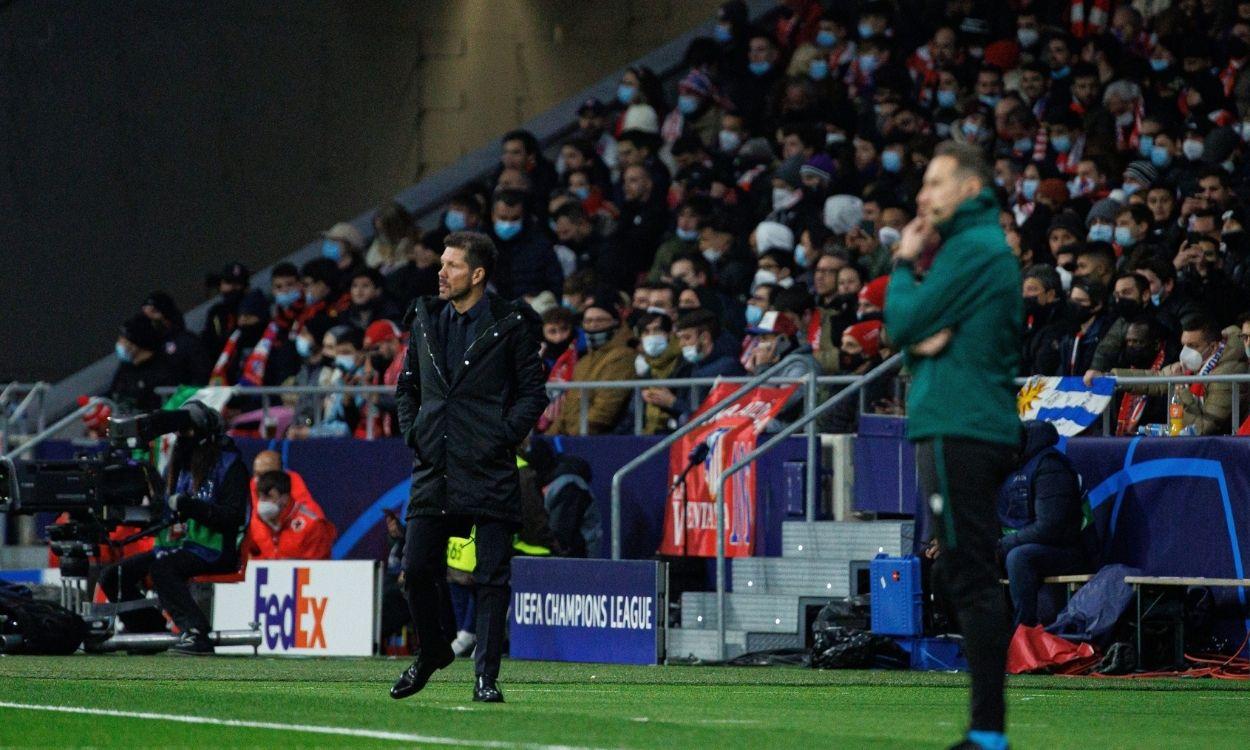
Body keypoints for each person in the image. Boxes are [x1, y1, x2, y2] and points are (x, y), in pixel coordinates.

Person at [884, 141, 1021, 750]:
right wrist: (920, 338)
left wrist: (901, 264)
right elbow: (917, 338)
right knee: (958, 570)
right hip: (959, 423)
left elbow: (902, 324)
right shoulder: (973, 250)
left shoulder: (971, 249)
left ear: (969, 188)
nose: (922, 195)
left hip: (959, 426)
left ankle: (989, 733)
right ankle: (985, 730)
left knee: (967, 574)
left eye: (935, 183)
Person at [392, 230, 547, 703]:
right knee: (417, 568)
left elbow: (532, 394)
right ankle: (435, 650)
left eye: (453, 265)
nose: (441, 272)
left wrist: (498, 436)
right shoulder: (426, 318)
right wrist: (414, 432)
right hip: (434, 463)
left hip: (488, 466)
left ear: (477, 275)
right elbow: (407, 388)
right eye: (442, 263)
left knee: (492, 577)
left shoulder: (511, 323)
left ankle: (486, 677)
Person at [99, 402, 248, 655]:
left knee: (163, 569)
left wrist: (191, 507)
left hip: (216, 548)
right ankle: (148, 629)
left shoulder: (229, 464)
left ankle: (197, 633)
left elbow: (232, 517)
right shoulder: (179, 466)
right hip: (178, 545)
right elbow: (167, 511)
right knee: (114, 576)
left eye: (188, 432)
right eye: (179, 433)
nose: (183, 438)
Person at [998, 421, 1088, 628]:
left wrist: (1003, 545)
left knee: (1018, 557)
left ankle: (1024, 632)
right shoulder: (1007, 467)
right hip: (1019, 544)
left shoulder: (1049, 466)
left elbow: (1051, 527)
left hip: (1066, 550)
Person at [1110, 316, 1248, 435]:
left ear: (1213, 347)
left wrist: (1181, 391)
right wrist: (1111, 377)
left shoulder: (1227, 374)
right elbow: (1155, 379)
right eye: (1184, 345)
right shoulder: (1196, 363)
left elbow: (1201, 429)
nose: (1186, 352)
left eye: (1192, 346)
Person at [546, 296, 636, 436]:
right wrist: (549, 437)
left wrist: (575, 436)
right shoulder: (584, 361)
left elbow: (605, 409)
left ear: (615, 323)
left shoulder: (622, 356)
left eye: (600, 320)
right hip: (573, 437)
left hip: (595, 440)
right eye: (588, 321)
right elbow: (568, 407)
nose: (593, 325)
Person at [247, 469, 336, 561]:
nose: (262, 502)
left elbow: (317, 570)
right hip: (265, 575)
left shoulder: (313, 525)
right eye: (260, 497)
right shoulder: (254, 524)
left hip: (300, 575)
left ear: (284, 498)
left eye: (269, 496)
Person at [109, 314, 178, 413]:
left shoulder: (162, 373)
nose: (119, 344)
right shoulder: (126, 367)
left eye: (123, 340)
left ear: (135, 345)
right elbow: (113, 394)